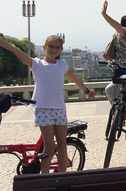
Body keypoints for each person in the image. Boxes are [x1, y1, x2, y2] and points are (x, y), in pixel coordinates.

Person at [0, 35, 95, 172]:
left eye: (57, 47)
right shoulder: (36, 64)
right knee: (49, 147)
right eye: (51, 46)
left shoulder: (62, 65)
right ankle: (45, 178)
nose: (53, 50)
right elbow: (14, 49)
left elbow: (75, 78)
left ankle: (63, 178)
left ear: (61, 50)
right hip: (42, 109)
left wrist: (86, 91)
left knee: (62, 146)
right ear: (44, 47)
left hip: (60, 109)